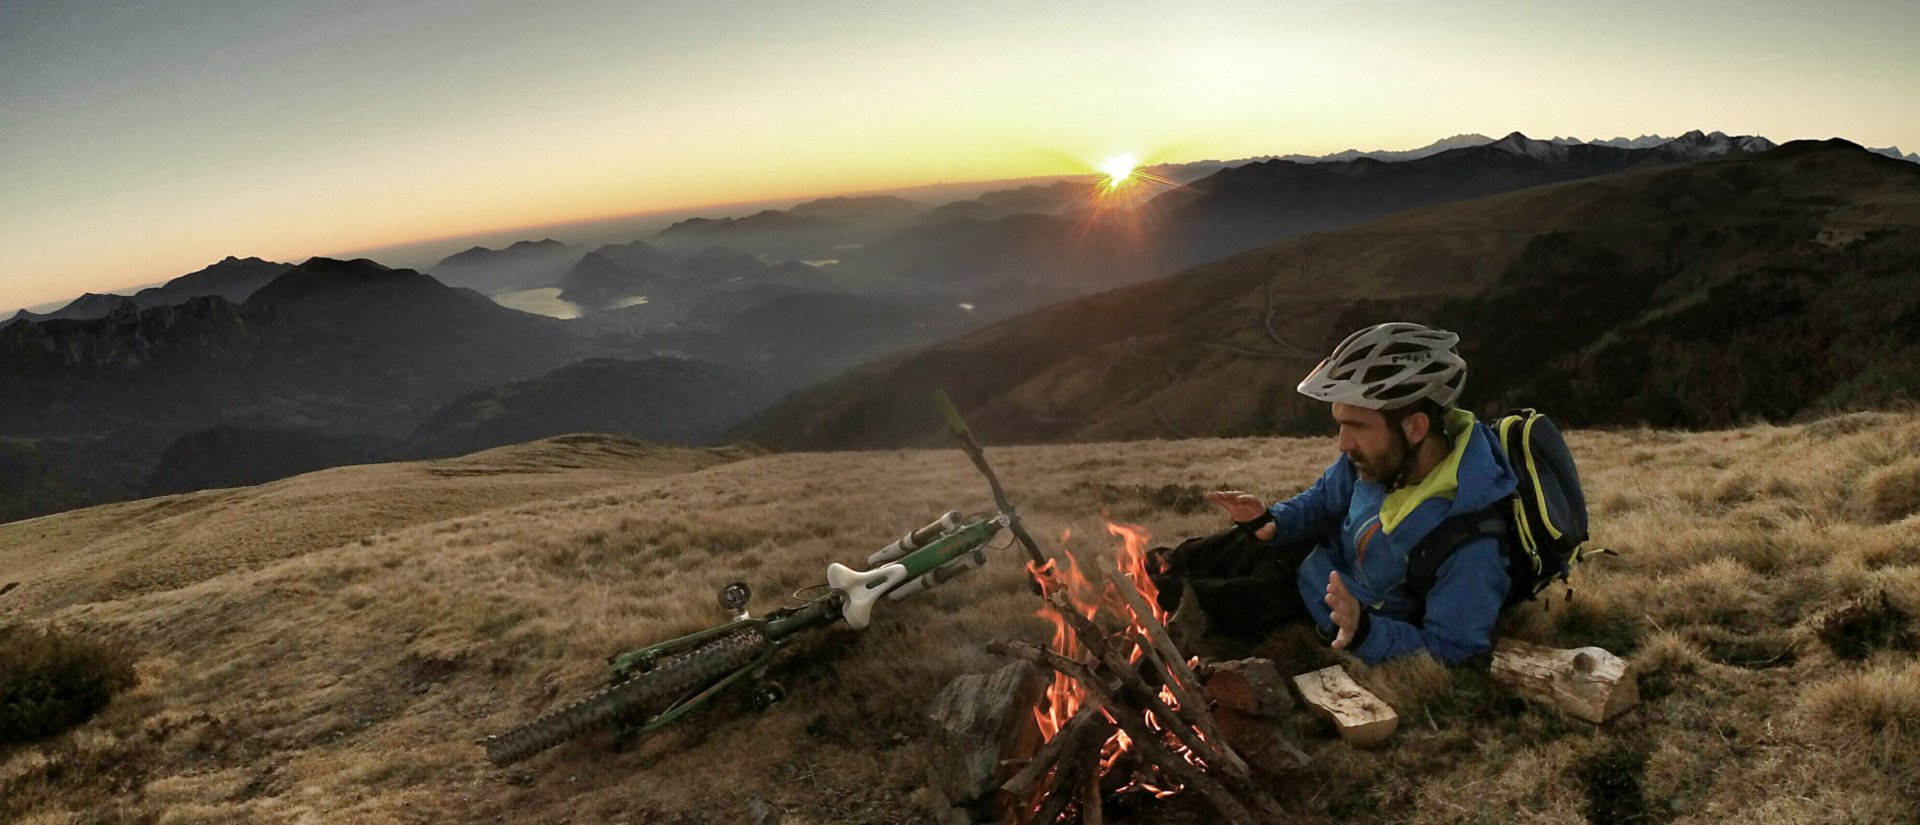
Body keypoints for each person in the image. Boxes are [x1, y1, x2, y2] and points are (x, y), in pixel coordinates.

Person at [1154, 322, 1519, 665]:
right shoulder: (1384, 459)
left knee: (1185, 594)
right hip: (1310, 558)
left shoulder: (1470, 543)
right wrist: (1274, 520)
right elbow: (1324, 498)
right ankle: (1160, 572)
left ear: (1415, 428)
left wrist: (1364, 631)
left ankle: (1157, 611)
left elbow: (1452, 651)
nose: (1343, 443)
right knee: (1180, 557)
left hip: (1321, 611)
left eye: (1356, 426)